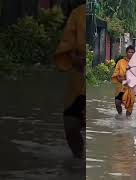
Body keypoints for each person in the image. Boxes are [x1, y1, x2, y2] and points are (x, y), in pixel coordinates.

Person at [54, 4, 86, 159]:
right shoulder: (78, 14)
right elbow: (65, 49)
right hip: (78, 81)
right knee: (70, 126)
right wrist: (76, 59)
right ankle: (78, 160)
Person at [112, 46, 135, 118]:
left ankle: (127, 121)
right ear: (126, 53)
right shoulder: (120, 62)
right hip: (121, 87)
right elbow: (116, 74)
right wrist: (124, 80)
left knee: (129, 105)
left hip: (131, 88)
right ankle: (120, 115)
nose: (131, 53)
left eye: (132, 52)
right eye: (129, 52)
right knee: (117, 103)